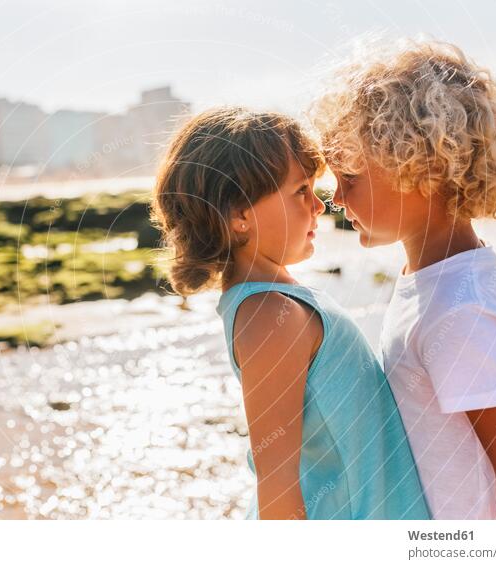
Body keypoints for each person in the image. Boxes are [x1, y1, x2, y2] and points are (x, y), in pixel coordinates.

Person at [312, 37, 496, 519]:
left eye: (350, 178)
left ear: (419, 165)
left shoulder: (459, 308)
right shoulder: (431, 283)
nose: (336, 199)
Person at [150, 106, 431, 519]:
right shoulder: (268, 315)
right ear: (239, 214)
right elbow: (277, 485)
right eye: (301, 191)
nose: (319, 207)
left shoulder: (275, 302)